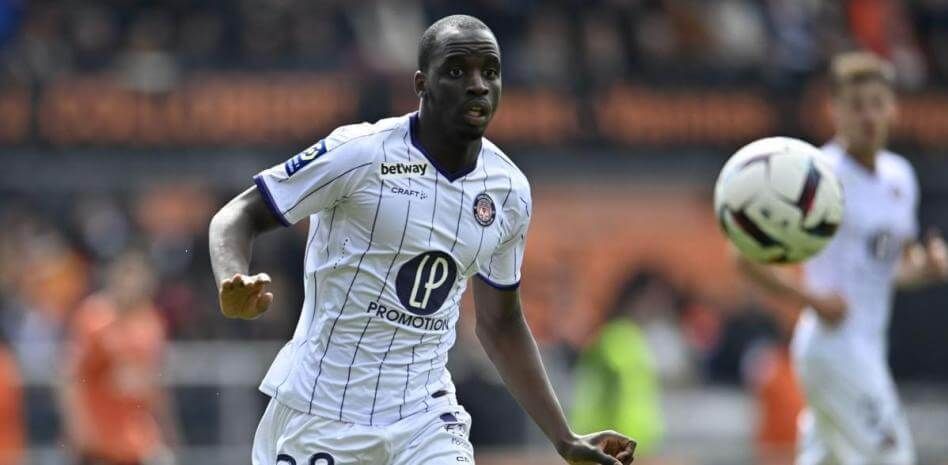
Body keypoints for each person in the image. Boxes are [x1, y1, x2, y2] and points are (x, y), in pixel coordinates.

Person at [208, 14, 635, 465]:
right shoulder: (361, 154)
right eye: (456, 71)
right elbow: (237, 215)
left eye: (490, 72)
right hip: (322, 413)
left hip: (425, 421)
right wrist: (231, 277)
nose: (477, 85)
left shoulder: (508, 190)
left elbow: (501, 324)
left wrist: (564, 438)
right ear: (421, 83)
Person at [737, 51, 948, 465]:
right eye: (855, 105)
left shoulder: (899, 176)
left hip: (868, 344)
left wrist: (925, 268)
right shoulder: (814, 176)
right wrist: (812, 300)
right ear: (834, 110)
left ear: (892, 107)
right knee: (892, 455)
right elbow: (743, 256)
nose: (868, 116)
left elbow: (886, 269)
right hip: (833, 346)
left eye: (876, 103)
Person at [60, 250, 179, 465]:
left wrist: (168, 431)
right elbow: (70, 377)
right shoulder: (93, 318)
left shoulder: (151, 323)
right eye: (126, 274)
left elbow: (155, 384)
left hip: (138, 437)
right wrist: (78, 428)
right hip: (100, 438)